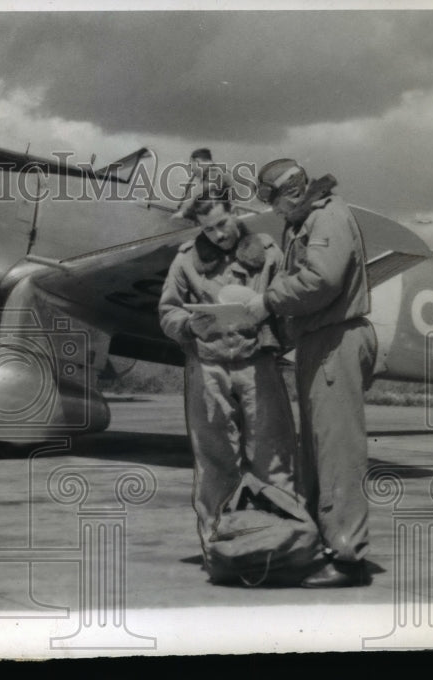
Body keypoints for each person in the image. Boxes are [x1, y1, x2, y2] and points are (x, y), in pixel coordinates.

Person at [245, 158, 377, 588]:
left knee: (337, 451)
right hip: (318, 341)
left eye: (272, 199)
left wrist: (267, 300)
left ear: (292, 191)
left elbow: (322, 279)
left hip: (335, 339)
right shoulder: (307, 221)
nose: (273, 210)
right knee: (319, 450)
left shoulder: (327, 218)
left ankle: (347, 558)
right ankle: (324, 545)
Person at [158, 203, 300, 575]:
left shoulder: (269, 251)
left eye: (222, 224)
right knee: (215, 463)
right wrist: (189, 327)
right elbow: (168, 312)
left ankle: (282, 547)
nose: (219, 235)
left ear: (234, 212)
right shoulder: (186, 260)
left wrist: (270, 319)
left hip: (259, 364)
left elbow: (288, 301)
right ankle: (217, 551)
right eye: (208, 230)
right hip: (209, 368)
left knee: (272, 459)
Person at [174, 148, 235, 222]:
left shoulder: (213, 174)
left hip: (234, 219)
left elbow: (207, 200)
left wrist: (185, 214)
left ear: (197, 162)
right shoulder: (217, 170)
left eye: (191, 164)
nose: (191, 169)